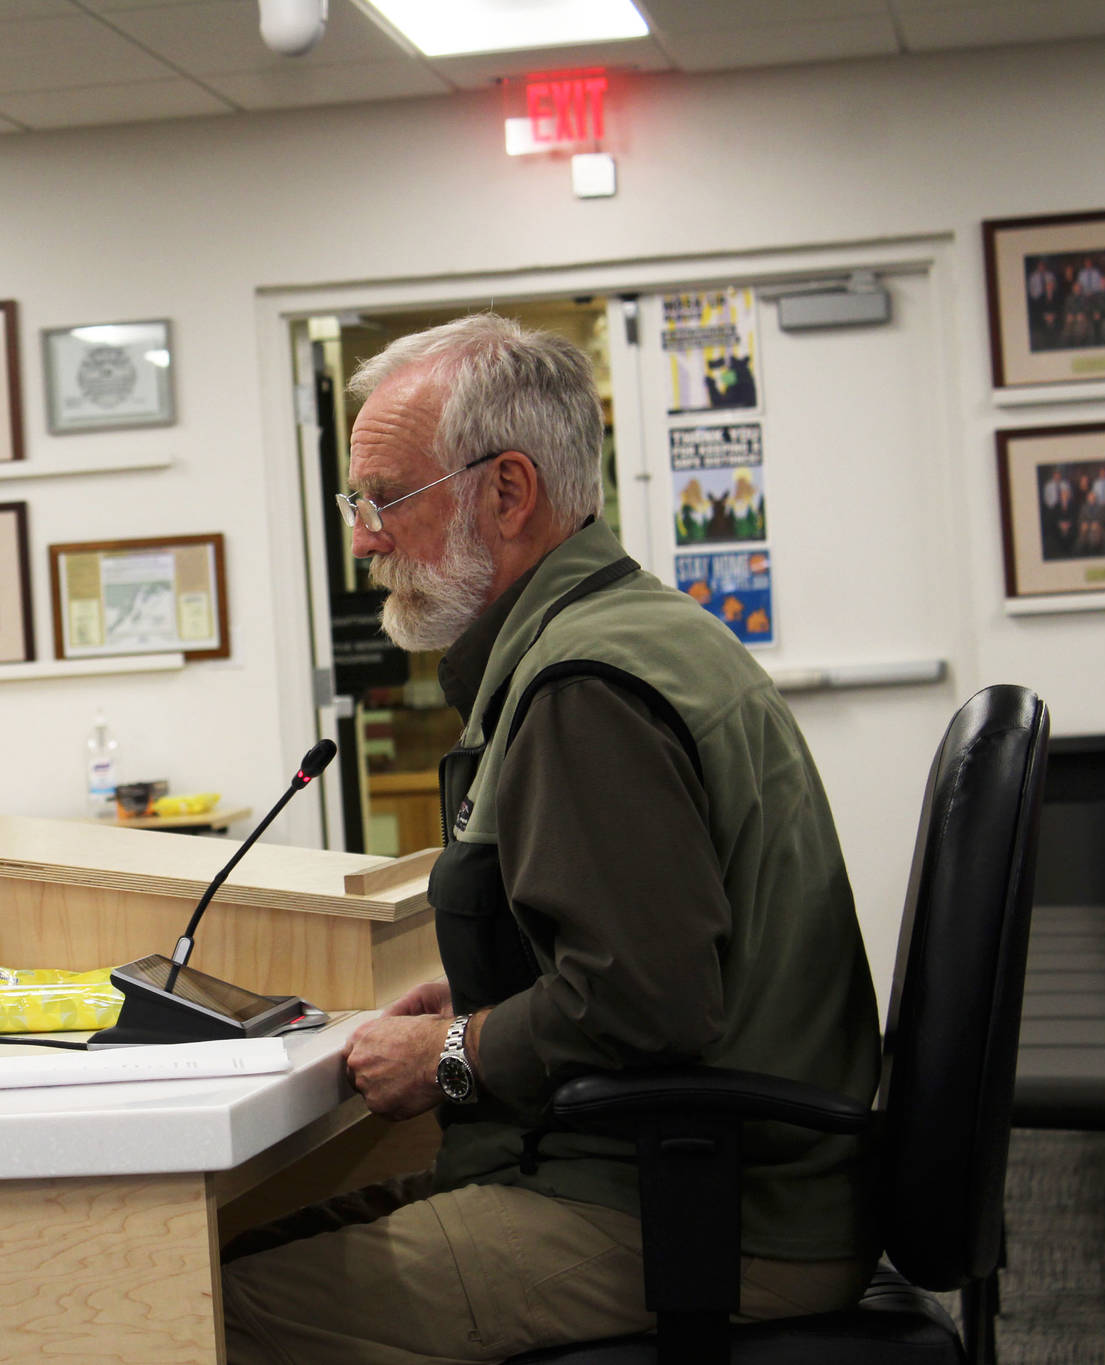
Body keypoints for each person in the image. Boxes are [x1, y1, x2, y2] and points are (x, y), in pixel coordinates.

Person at [221, 314, 880, 1363]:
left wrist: (453, 1052)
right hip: (679, 1179)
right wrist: (488, 1003)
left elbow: (647, 999)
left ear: (507, 492)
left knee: (194, 1318)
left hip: (698, 1215)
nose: (362, 537)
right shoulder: (620, 633)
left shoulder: (582, 688)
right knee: (199, 1256)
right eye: (359, 503)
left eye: (383, 498)